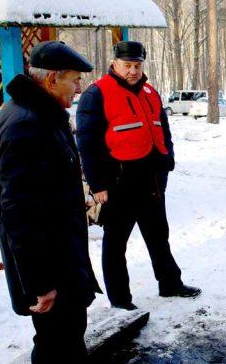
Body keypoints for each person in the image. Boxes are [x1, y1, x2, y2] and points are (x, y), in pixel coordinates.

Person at [0, 40, 101, 364]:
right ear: (52, 79)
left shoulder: (41, 115)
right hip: (49, 267)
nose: (77, 89)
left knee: (67, 341)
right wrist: (39, 283)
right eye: (73, 81)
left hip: (62, 258)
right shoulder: (25, 127)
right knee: (54, 346)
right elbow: (19, 215)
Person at [76, 40, 200, 308]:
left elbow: (163, 129)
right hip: (118, 181)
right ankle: (120, 299)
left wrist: (169, 159)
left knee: (158, 234)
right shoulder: (96, 93)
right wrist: (98, 184)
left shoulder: (150, 92)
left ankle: (170, 283)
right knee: (115, 244)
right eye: (127, 65)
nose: (133, 70)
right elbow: (87, 143)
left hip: (152, 179)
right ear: (115, 64)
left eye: (137, 65)